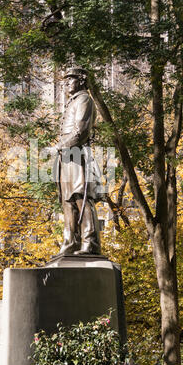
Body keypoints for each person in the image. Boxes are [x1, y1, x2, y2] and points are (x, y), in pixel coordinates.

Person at [49, 67, 102, 256]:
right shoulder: (73, 101)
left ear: (81, 80)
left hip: (78, 153)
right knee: (67, 200)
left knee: (81, 196)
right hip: (67, 155)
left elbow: (81, 131)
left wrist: (58, 146)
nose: (66, 83)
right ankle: (70, 242)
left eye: (70, 79)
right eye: (64, 80)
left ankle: (90, 243)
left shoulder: (84, 100)